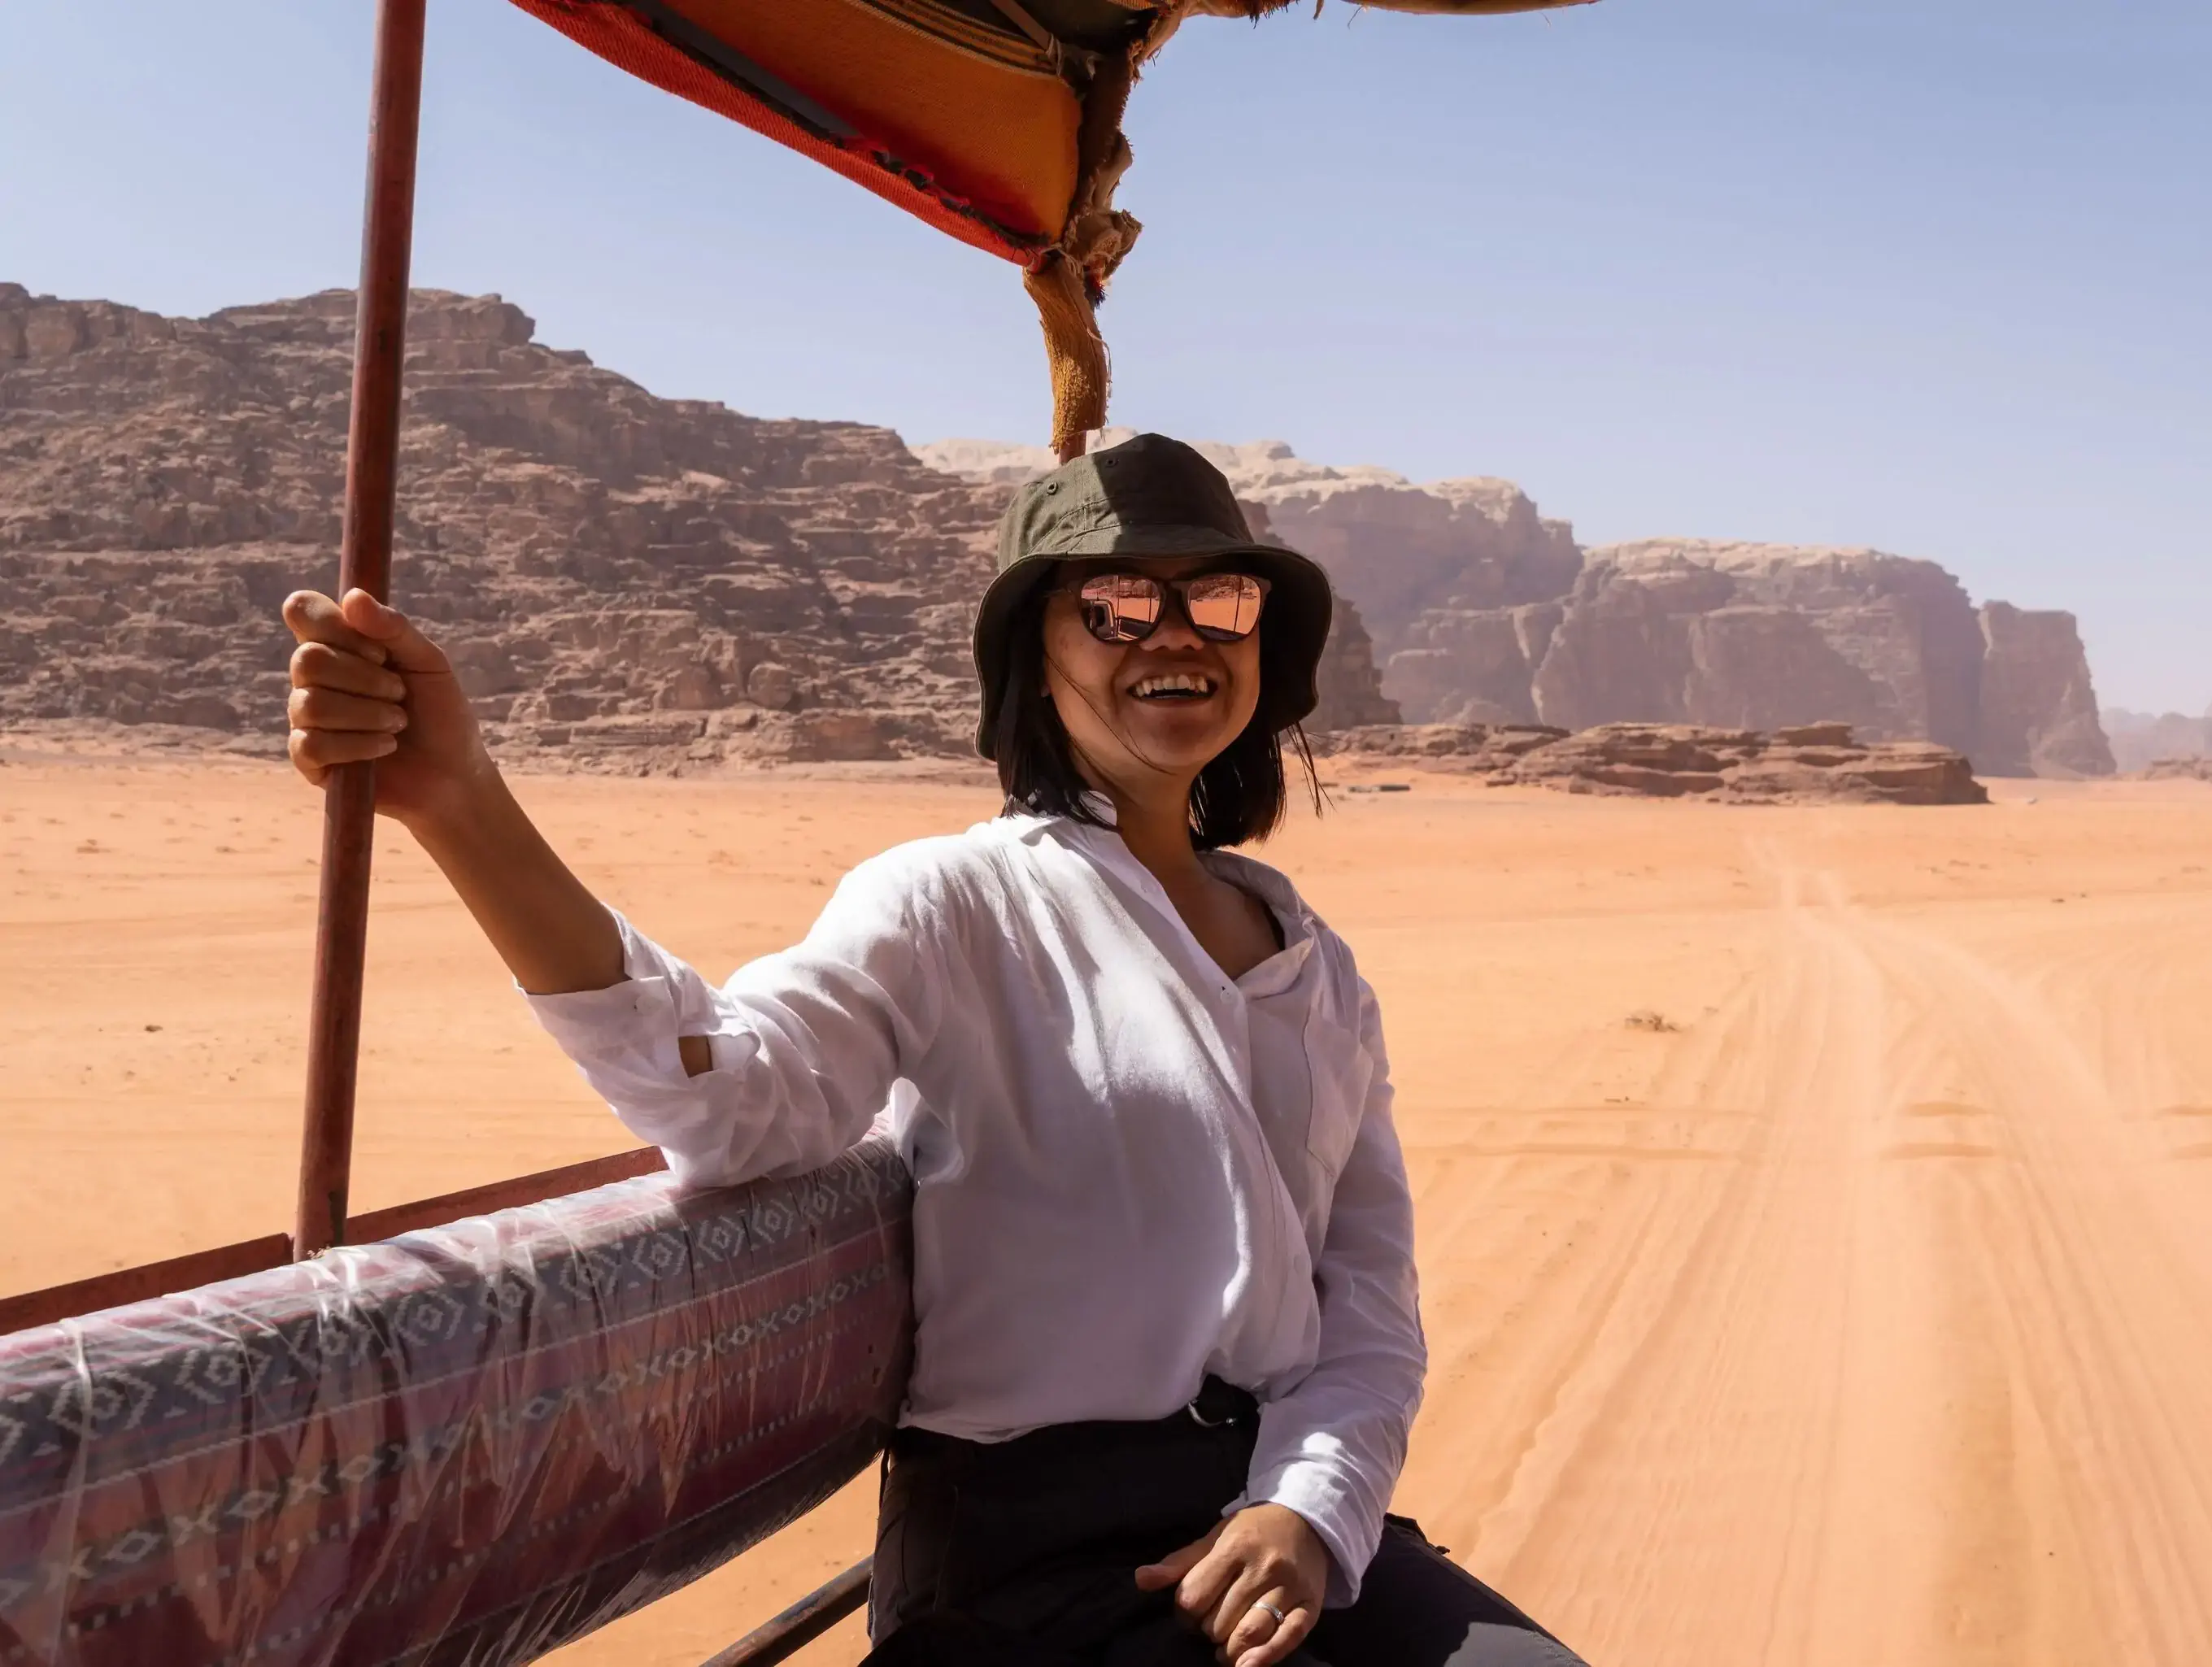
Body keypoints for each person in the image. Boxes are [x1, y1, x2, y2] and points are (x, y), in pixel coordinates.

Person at [281, 433, 1585, 1667]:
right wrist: (459, 799)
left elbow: (1367, 1302)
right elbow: (734, 1098)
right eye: (1118, 606)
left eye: (1221, 603)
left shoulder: (1316, 963)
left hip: (1276, 1516)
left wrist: (1312, 1510)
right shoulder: (948, 901)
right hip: (1035, 1563)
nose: (1176, 635)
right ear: (1040, 650)